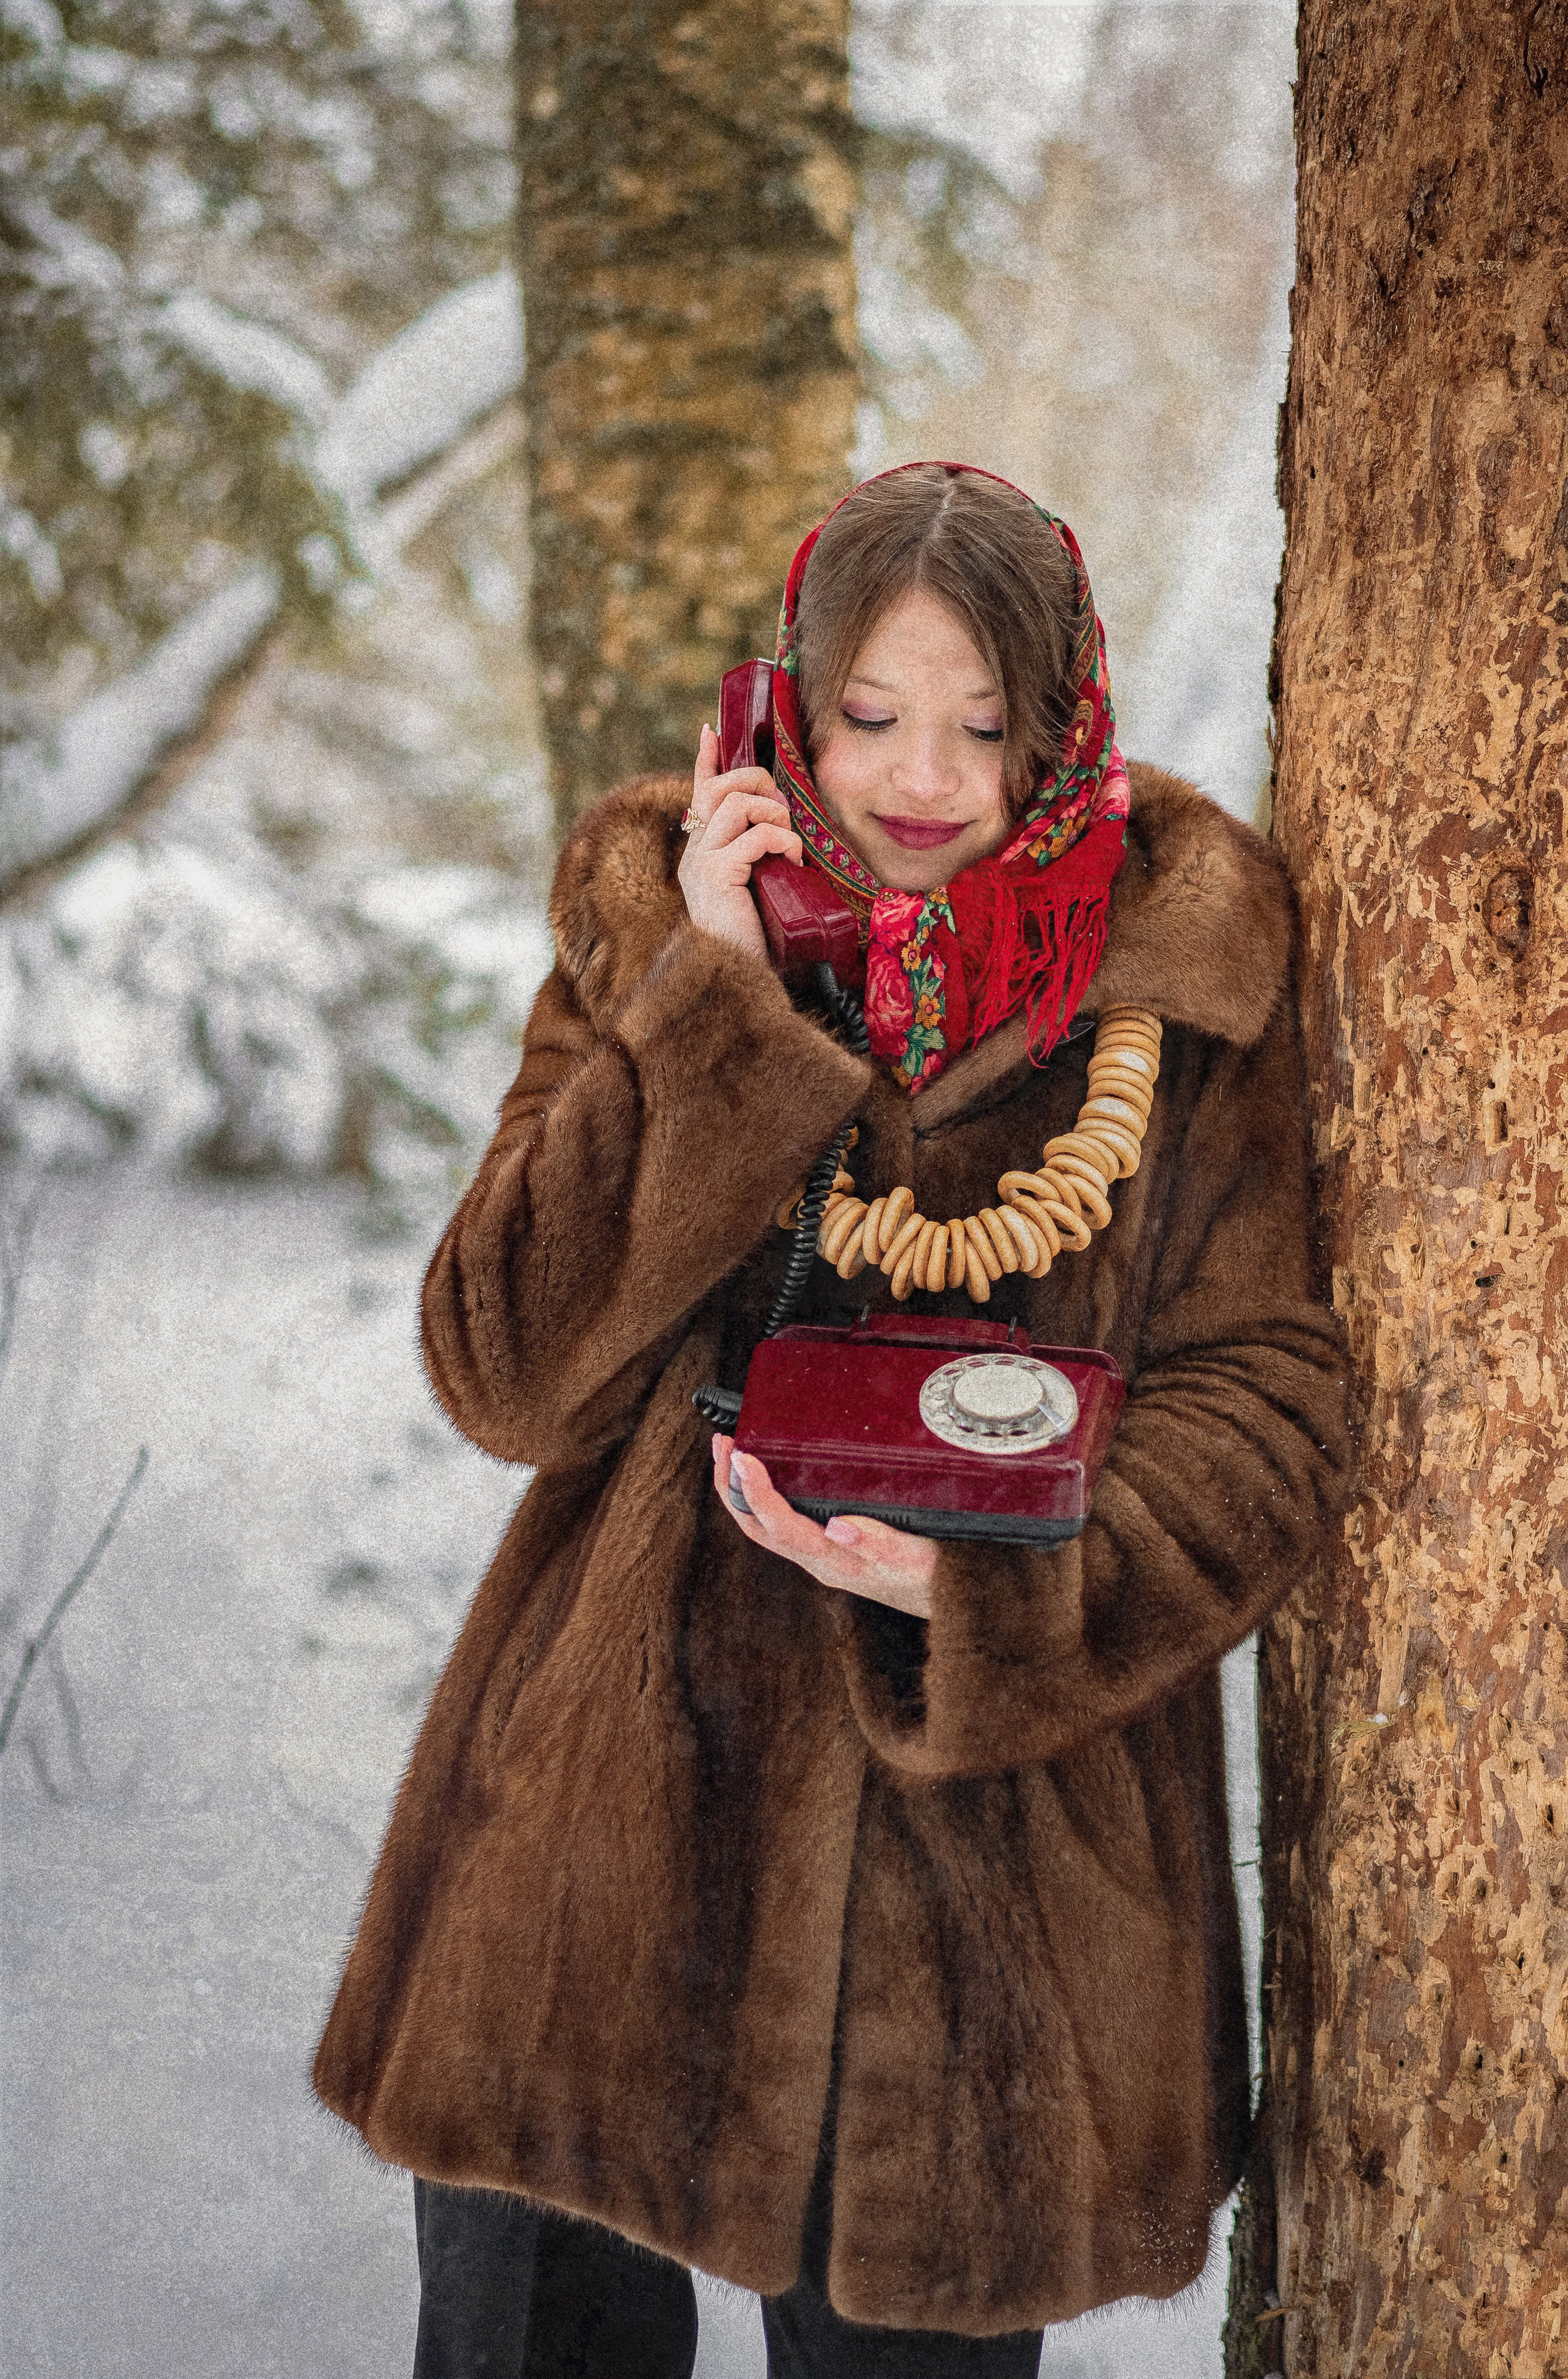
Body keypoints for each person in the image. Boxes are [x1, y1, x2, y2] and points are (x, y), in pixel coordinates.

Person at [312, 462, 1350, 2378]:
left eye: (983, 723)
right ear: (787, 705)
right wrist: (708, 1003)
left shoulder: (1184, 989)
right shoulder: (660, 927)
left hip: (986, 1918)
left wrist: (999, 1587)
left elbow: (1272, 1401)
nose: (923, 778)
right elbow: (504, 1365)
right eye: (870, 713)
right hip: (603, 1847)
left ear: (1064, 728)